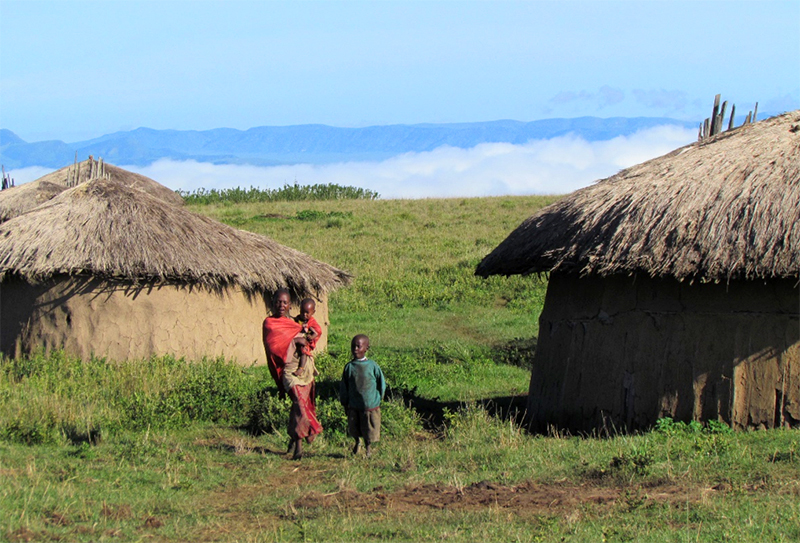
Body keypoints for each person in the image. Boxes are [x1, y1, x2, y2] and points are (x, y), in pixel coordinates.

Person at [262, 289, 322, 459]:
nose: (281, 305)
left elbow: (313, 336)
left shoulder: (296, 323)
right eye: (278, 302)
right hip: (288, 369)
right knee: (299, 402)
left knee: (302, 404)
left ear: (290, 305)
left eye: (285, 302)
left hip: (305, 367)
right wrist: (295, 340)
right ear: (272, 303)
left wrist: (306, 336)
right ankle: (301, 444)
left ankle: (294, 441)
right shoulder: (269, 323)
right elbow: (274, 348)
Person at [339, 334, 386, 458]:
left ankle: (368, 449)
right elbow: (344, 386)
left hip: (369, 404)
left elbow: (381, 384)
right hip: (354, 404)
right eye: (353, 346)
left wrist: (377, 400)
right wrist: (345, 402)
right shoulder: (349, 367)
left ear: (366, 348)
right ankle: (357, 442)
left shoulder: (372, 366)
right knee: (354, 427)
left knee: (369, 429)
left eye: (358, 346)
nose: (355, 349)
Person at [292, 298, 322, 378]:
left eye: (307, 313)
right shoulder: (298, 319)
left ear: (313, 312)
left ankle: (301, 368)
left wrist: (311, 337)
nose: (304, 314)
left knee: (303, 351)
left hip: (305, 342)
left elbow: (317, 332)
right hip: (297, 340)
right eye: (302, 312)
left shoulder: (311, 322)